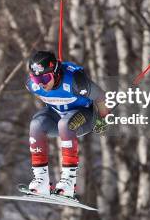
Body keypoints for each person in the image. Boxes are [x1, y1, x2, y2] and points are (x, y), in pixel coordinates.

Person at [25, 50, 108, 197]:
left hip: (84, 116)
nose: (41, 84)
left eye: (45, 79)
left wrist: (102, 120)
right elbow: (41, 91)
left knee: (65, 124)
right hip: (57, 116)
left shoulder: (76, 82)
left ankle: (68, 183)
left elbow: (101, 96)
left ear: (56, 72)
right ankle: (41, 182)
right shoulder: (33, 85)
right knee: (36, 125)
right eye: (36, 80)